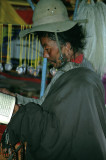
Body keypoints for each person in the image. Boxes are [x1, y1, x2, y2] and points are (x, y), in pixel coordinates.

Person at [0, 0, 106, 159]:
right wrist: (15, 100)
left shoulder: (82, 83)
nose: (44, 55)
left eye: (47, 48)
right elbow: (46, 108)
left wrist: (19, 113)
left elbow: (56, 136)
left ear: (67, 46)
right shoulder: (67, 74)